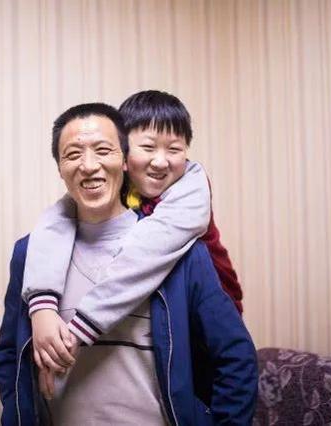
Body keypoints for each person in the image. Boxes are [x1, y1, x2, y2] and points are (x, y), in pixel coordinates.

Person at [0, 103, 258, 425]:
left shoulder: (181, 252)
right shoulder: (31, 254)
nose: (89, 165)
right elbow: (9, 356)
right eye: (73, 155)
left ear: (124, 160)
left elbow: (235, 358)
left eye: (103, 151)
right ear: (60, 168)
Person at [24, 91, 244, 375]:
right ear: (124, 153)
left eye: (174, 149)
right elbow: (58, 218)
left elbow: (143, 255)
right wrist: (42, 305)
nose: (161, 161)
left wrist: (76, 332)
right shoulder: (116, 188)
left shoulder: (191, 189)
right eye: (148, 147)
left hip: (208, 314)